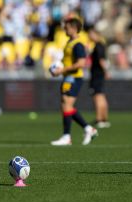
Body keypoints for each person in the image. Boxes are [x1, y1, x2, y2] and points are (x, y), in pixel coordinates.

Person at [50, 17, 98, 146]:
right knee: (65, 106)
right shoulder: (69, 42)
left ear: (74, 28)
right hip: (68, 77)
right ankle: (88, 129)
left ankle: (67, 136)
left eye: (67, 26)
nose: (64, 28)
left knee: (67, 105)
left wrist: (62, 70)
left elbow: (81, 63)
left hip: (74, 77)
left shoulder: (78, 44)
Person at [88, 28, 111, 128]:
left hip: (97, 74)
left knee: (97, 97)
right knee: (102, 96)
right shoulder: (101, 45)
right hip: (99, 74)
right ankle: (104, 118)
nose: (89, 36)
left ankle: (99, 119)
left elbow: (101, 60)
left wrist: (106, 71)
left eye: (91, 34)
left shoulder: (98, 46)